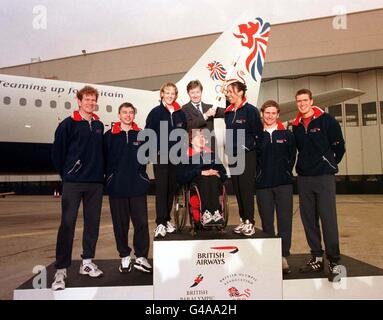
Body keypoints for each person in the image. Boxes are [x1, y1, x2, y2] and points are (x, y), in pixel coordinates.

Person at [51, 86, 104, 290]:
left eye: (93, 100)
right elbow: (57, 153)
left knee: (92, 225)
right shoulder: (68, 124)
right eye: (87, 99)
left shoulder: (98, 125)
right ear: (79, 101)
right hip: (73, 183)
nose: (90, 102)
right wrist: (67, 174)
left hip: (95, 184)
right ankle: (61, 270)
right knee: (67, 225)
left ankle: (87, 262)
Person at [292, 88, 345, 282]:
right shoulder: (296, 125)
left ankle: (333, 260)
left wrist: (329, 162)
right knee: (308, 219)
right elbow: (298, 149)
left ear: (311, 101)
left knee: (328, 219)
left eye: (305, 100)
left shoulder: (326, 120)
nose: (302, 104)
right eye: (299, 101)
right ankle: (316, 257)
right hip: (305, 178)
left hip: (324, 176)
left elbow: (339, 145)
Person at [104, 103, 151, 274]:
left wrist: (142, 178)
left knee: (141, 224)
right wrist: (109, 180)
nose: (128, 115)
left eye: (131, 112)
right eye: (125, 112)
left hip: (137, 186)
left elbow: (147, 158)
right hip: (117, 188)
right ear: (118, 115)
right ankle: (124, 255)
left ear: (134, 115)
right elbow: (104, 160)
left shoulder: (141, 135)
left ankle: (141, 257)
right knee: (120, 225)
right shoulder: (109, 136)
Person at [255, 100, 296, 274]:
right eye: (267, 112)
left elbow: (291, 156)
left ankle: (282, 255)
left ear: (278, 114)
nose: (270, 116)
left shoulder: (286, 135)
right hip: (263, 185)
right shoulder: (257, 136)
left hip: (283, 185)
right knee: (267, 222)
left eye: (273, 113)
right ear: (262, 114)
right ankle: (269, 254)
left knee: (285, 221)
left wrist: (286, 172)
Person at [145, 82, 187, 237]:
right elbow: (148, 133)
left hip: (176, 157)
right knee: (162, 189)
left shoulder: (180, 113)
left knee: (171, 189)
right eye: (167, 92)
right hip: (161, 156)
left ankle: (167, 219)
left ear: (175, 95)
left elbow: (183, 135)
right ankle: (160, 223)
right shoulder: (155, 112)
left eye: (173, 93)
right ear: (162, 94)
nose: (170, 96)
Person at [224, 81, 263, 236]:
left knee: (246, 190)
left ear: (240, 92)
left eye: (231, 91)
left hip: (247, 155)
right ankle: (243, 219)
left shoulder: (250, 110)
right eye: (227, 92)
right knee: (238, 189)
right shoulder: (228, 112)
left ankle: (250, 222)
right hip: (233, 156)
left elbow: (258, 134)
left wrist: (250, 148)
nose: (228, 94)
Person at [177, 129, 226, 225]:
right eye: (198, 136)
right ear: (191, 141)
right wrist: (201, 172)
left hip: (213, 181)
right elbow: (182, 176)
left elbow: (223, 172)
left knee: (213, 178)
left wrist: (217, 173)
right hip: (196, 181)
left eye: (203, 136)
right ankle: (206, 213)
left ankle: (216, 213)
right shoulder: (186, 155)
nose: (202, 138)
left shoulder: (211, 154)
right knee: (204, 179)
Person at [181, 80, 225, 150]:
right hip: (195, 149)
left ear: (201, 92)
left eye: (197, 92)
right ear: (188, 93)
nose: (195, 95)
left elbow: (227, 112)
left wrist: (229, 96)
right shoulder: (184, 109)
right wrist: (206, 115)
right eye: (192, 93)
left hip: (211, 147)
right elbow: (189, 126)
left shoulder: (209, 107)